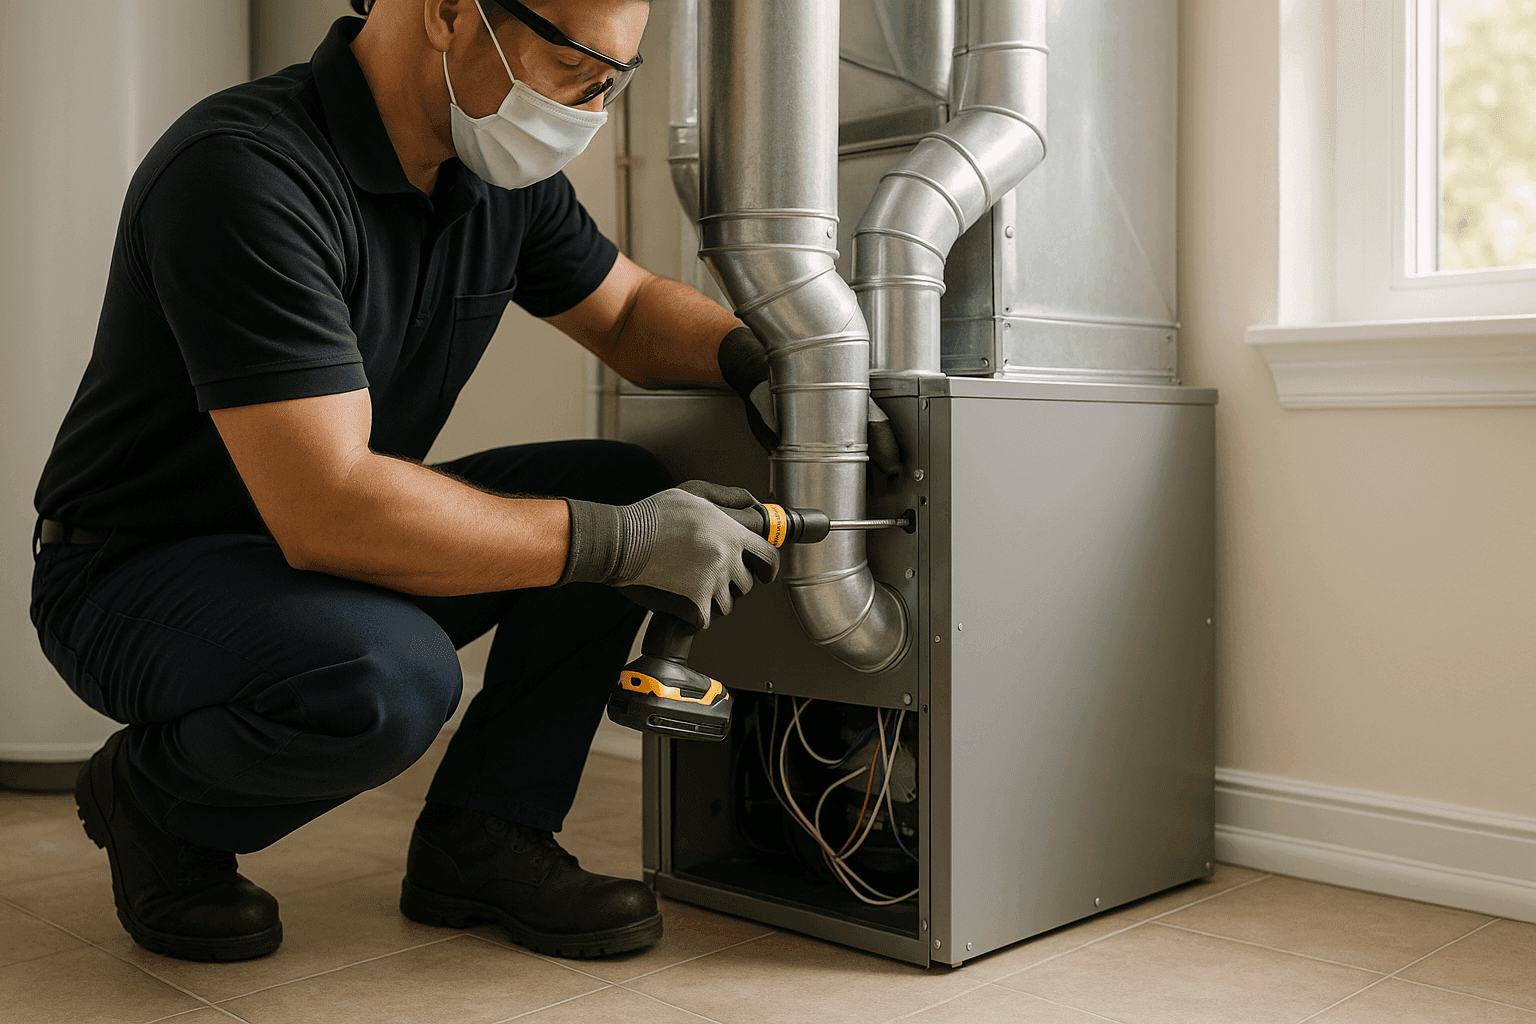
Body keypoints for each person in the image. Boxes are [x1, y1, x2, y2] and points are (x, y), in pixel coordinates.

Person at [29, 0, 793, 964]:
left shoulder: (490, 174)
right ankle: (153, 803)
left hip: (305, 547)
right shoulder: (245, 170)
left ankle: (484, 836)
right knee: (389, 678)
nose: (594, 105)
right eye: (577, 65)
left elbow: (631, 307)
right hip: (134, 574)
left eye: (616, 80)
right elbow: (330, 507)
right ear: (444, 12)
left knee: (618, 476)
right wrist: (625, 544)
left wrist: (764, 361)